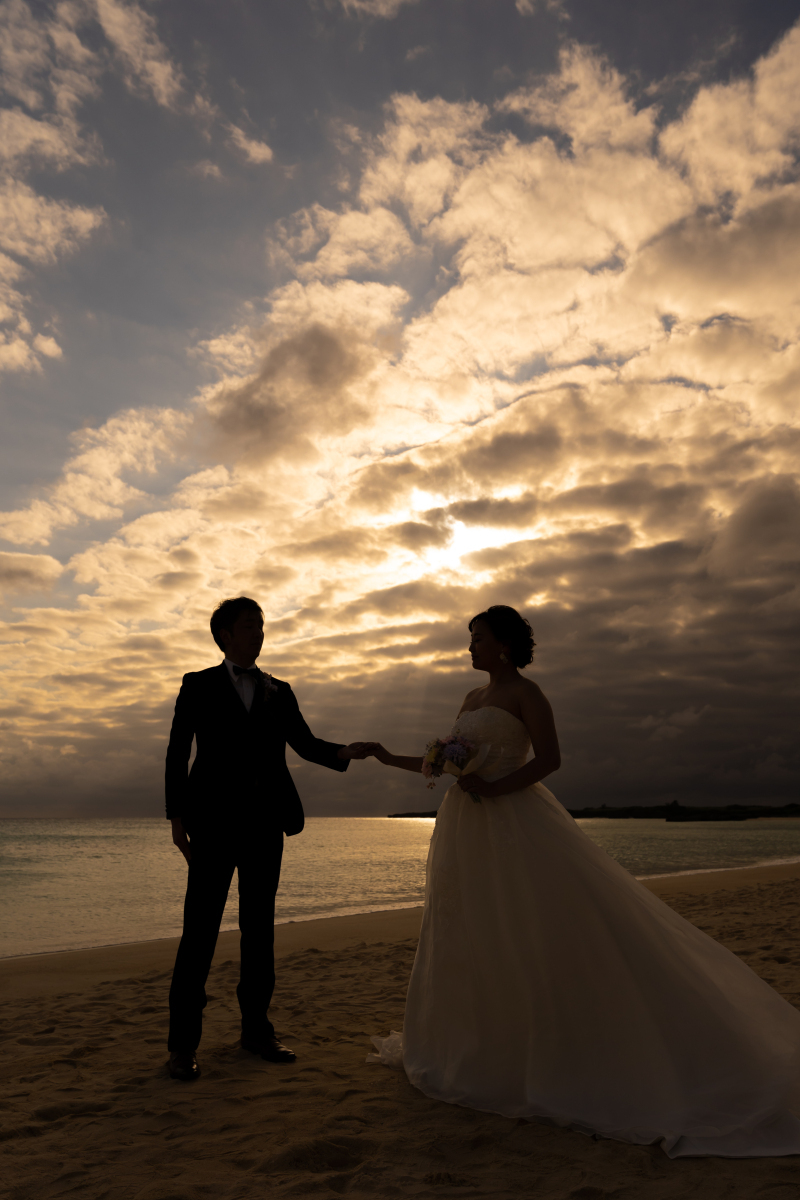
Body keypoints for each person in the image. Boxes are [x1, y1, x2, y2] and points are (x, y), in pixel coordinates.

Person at [367, 605, 800, 1158]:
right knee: (471, 932)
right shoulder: (470, 700)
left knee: (537, 927)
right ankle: (483, 1047)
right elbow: (446, 764)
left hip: (514, 821)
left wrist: (498, 790)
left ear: (502, 644)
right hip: (464, 828)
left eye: (476, 638)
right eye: (468, 639)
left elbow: (549, 759)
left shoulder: (528, 694)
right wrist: (386, 757)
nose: (468, 647)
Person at [165, 596, 372, 1082]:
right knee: (199, 934)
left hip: (265, 826)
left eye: (261, 625)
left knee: (260, 932)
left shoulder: (280, 690)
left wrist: (346, 751)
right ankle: (181, 1047)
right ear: (224, 635)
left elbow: (305, 744)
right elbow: (177, 754)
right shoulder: (196, 686)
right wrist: (177, 820)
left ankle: (257, 1032)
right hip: (211, 826)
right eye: (249, 626)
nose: (259, 633)